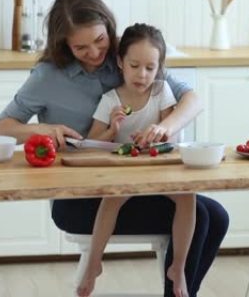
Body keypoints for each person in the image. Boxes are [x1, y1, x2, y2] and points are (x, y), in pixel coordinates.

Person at [0, 0, 229, 297]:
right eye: (81, 47)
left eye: (99, 40)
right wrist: (46, 129)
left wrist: (164, 127)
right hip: (79, 197)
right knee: (205, 216)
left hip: (136, 179)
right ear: (64, 43)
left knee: (216, 215)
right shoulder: (48, 77)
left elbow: (192, 101)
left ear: (109, 28)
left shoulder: (129, 59)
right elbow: (3, 128)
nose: (94, 53)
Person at [78, 24, 195, 297]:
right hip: (125, 171)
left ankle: (178, 267)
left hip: (156, 170)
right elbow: (92, 144)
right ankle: (94, 264)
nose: (142, 75)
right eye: (134, 65)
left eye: (150, 68)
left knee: (188, 195)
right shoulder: (110, 100)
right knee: (112, 199)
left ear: (159, 68)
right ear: (120, 62)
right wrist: (113, 128)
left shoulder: (161, 91)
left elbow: (171, 132)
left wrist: (159, 133)